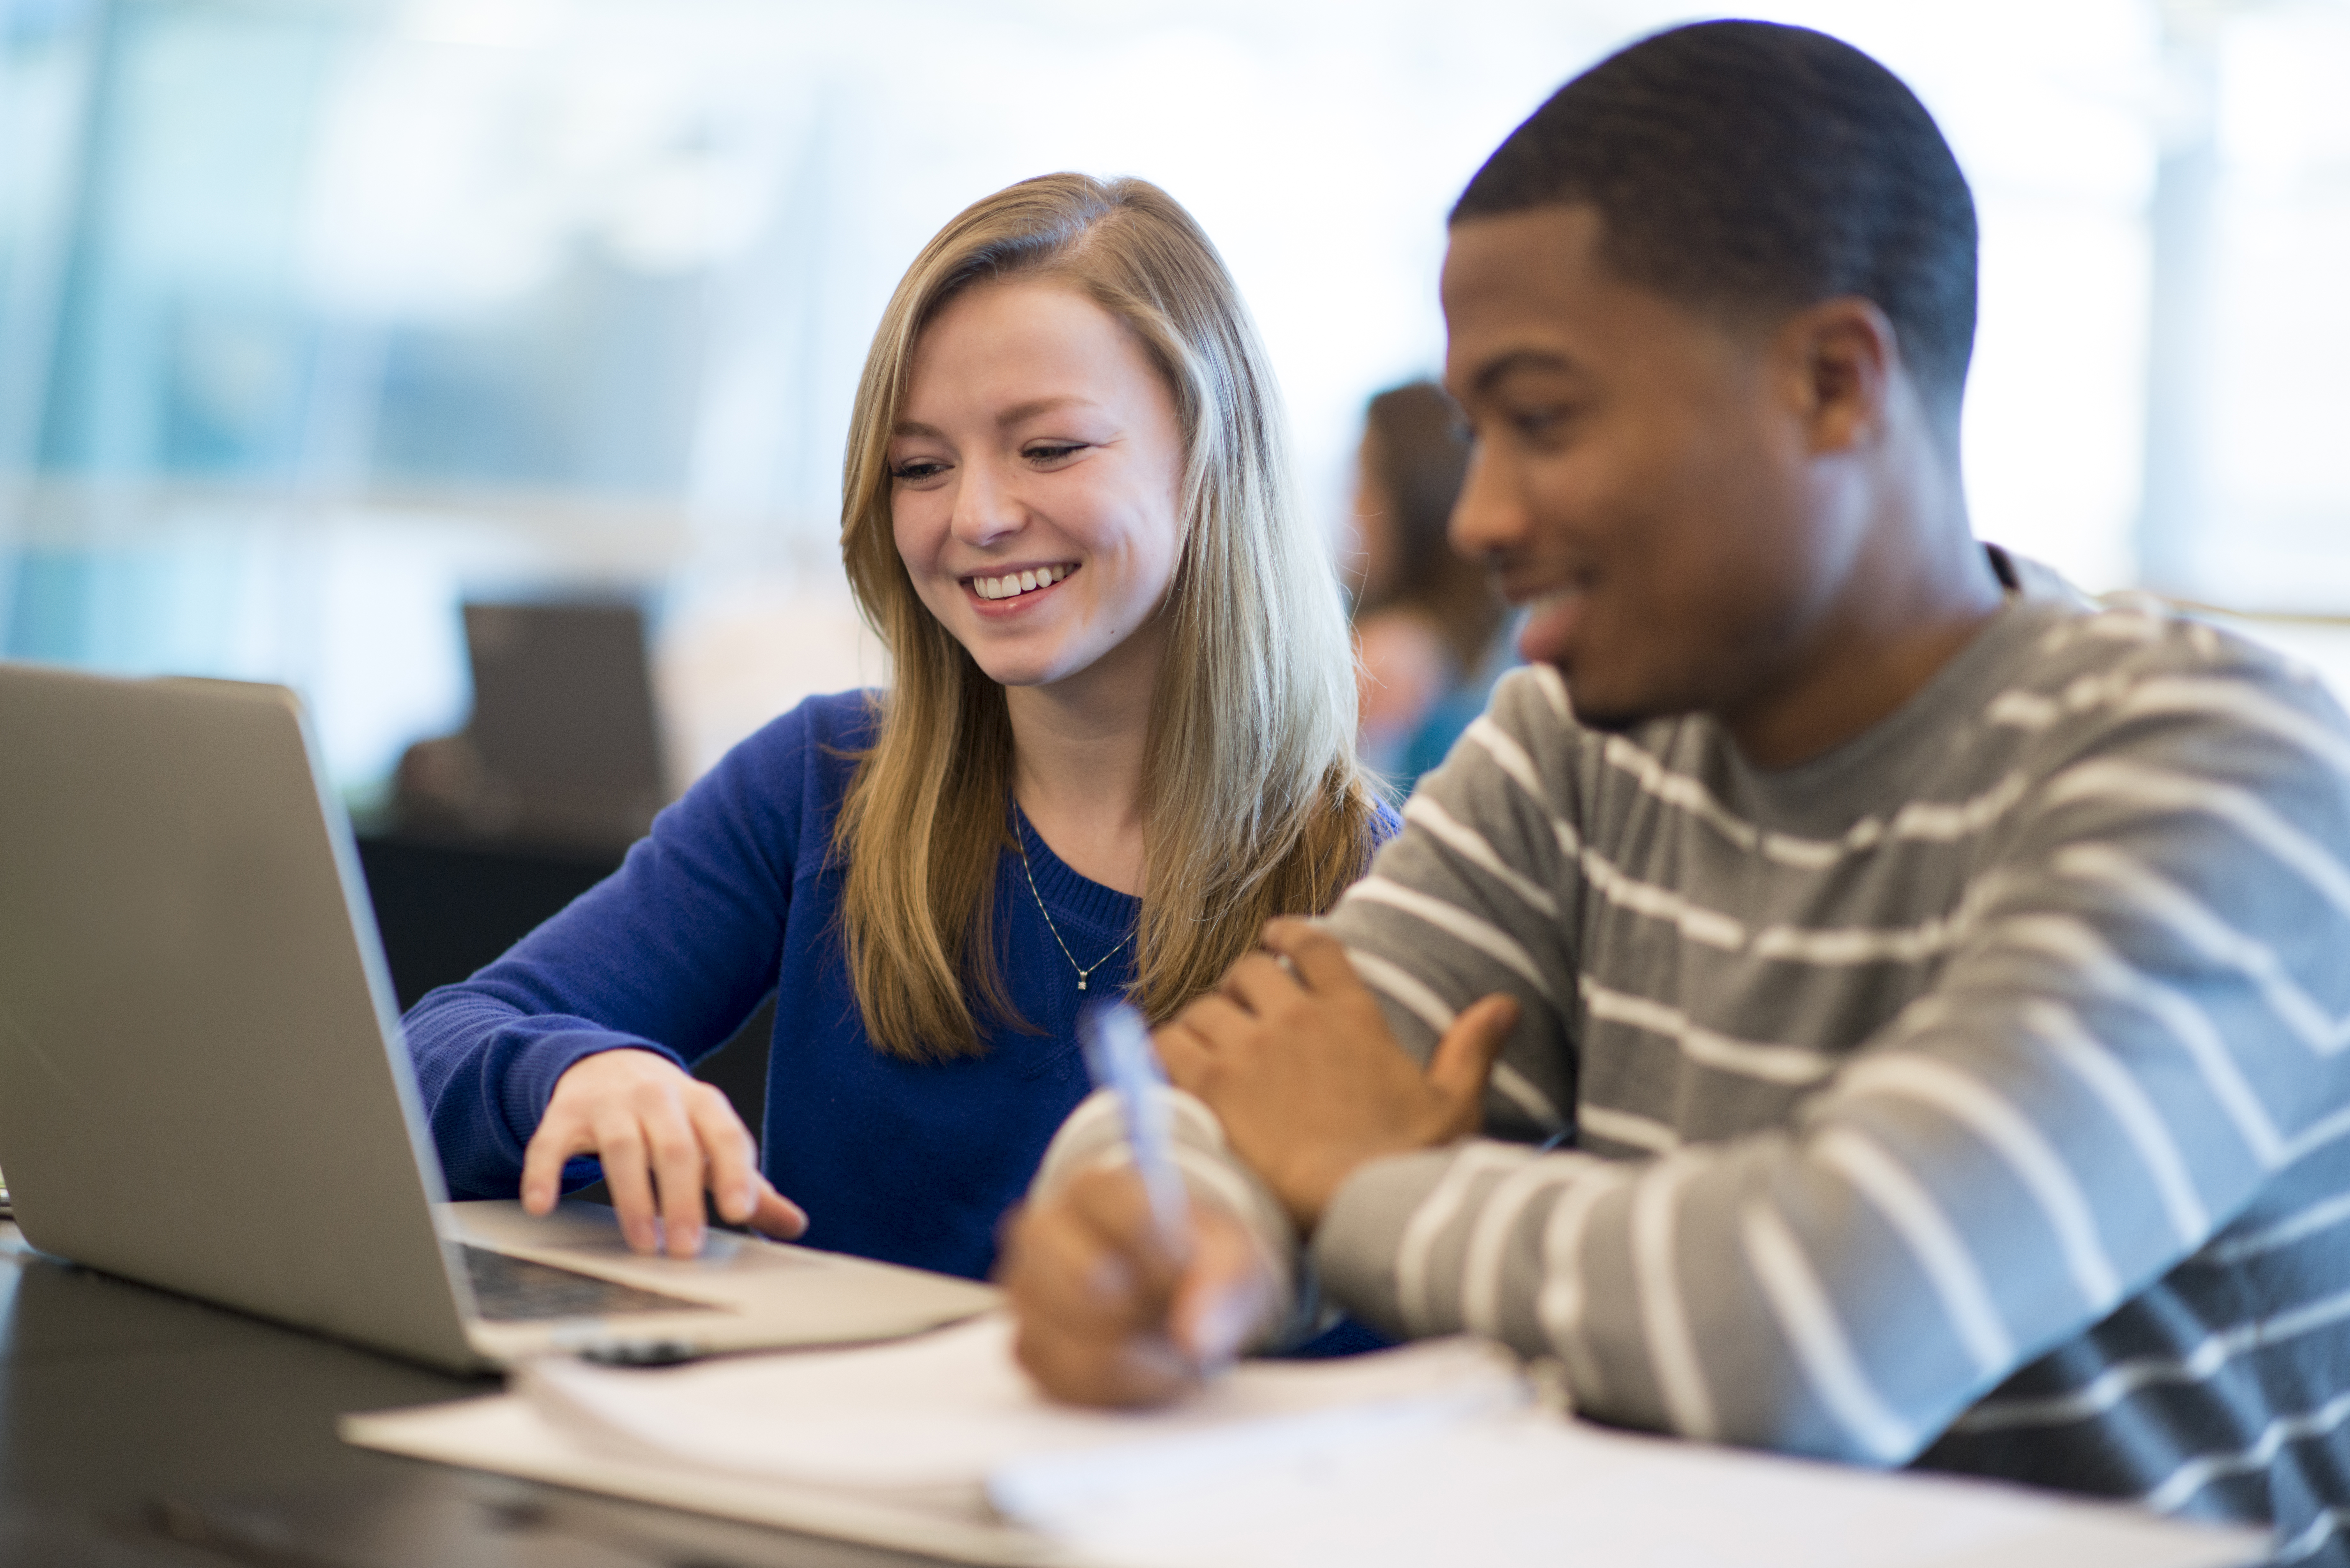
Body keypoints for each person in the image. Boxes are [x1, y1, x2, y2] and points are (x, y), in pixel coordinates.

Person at [1000, 22, 2350, 1561]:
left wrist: (1358, 1180)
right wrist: (1174, 1238)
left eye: (1546, 417)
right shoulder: (1571, 744)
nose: (1488, 513)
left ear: (1833, 384)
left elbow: (1802, 1332)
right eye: (1472, 434)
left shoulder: (2210, 765)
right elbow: (1231, 1106)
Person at [402, 173, 1386, 1281]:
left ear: (1212, 456)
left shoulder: (1380, 892)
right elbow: (435, 1049)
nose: (976, 517)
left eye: (1051, 448)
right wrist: (578, 1075)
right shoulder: (822, 782)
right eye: (922, 466)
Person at [1346, 380, 1510, 793]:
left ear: (1419, 495)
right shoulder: (1485, 627)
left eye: (1369, 481)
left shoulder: (1395, 654)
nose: (1355, 506)